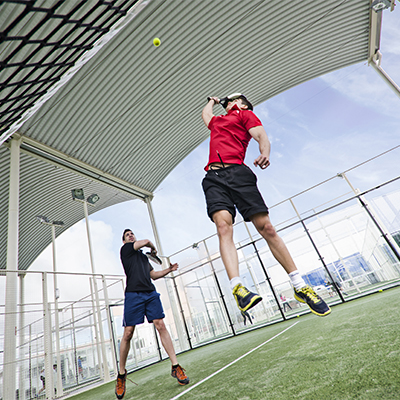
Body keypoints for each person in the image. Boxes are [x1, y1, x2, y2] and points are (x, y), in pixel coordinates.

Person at [201, 93, 331, 317]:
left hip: (238, 173)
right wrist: (212, 102)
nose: (229, 103)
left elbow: (262, 136)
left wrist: (265, 154)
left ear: (242, 104)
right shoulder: (218, 122)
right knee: (223, 227)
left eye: (234, 100)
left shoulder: (245, 114)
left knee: (266, 228)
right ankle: (238, 288)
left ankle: (299, 285)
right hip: (213, 178)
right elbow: (206, 116)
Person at [115, 229, 189, 400]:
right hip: (133, 294)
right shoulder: (126, 250)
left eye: (132, 234)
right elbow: (147, 241)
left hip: (150, 293)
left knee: (160, 325)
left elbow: (153, 275)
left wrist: (169, 270)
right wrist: (153, 249)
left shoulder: (143, 257)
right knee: (128, 333)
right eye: (127, 235)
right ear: (124, 241)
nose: (131, 235)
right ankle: (121, 374)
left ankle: (175, 366)